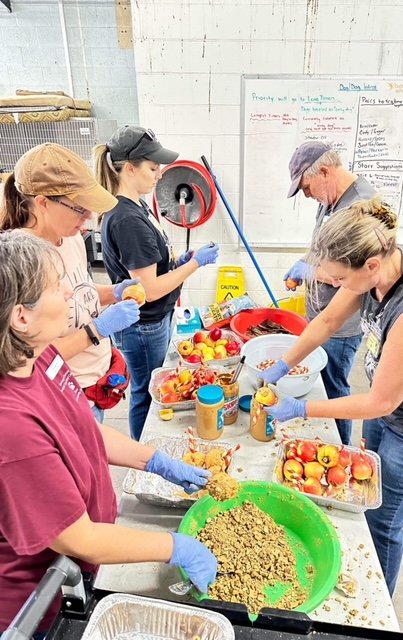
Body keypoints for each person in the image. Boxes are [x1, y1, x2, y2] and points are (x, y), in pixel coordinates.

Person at [0, 231, 217, 636]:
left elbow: (82, 430)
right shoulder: (11, 429)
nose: (69, 292)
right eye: (53, 286)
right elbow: (80, 539)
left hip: (74, 573)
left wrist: (153, 460)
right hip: (38, 605)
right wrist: (174, 548)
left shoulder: (37, 355)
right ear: (21, 317)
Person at [262, 198, 403, 595]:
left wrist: (300, 408)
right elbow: (326, 320)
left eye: (340, 279)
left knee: (385, 519)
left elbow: (381, 402)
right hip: (391, 406)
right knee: (363, 494)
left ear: (371, 267)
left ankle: (378, 609)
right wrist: (279, 366)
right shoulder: (375, 265)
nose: (337, 286)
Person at [94, 126, 220, 440]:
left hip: (154, 321)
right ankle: (143, 454)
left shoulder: (137, 208)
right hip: (144, 326)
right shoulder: (128, 220)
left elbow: (150, 270)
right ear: (129, 168)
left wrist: (177, 261)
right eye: (152, 167)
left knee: (149, 390)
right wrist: (194, 264)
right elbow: (148, 290)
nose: (159, 174)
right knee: (147, 395)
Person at [0, 143, 141, 423]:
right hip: (64, 391)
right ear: (42, 203)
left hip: (96, 376)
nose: (88, 220)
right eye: (79, 209)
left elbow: (80, 293)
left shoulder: (72, 237)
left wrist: (113, 292)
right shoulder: (18, 263)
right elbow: (31, 359)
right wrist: (97, 329)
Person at [283, 142, 376, 445]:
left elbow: (352, 272)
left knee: (334, 388)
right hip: (321, 316)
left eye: (306, 188)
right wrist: (307, 263)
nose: (306, 196)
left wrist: (311, 273)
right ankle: (321, 439)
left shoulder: (360, 207)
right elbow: (324, 249)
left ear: (324, 172)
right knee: (320, 384)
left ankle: (339, 446)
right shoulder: (330, 200)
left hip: (341, 326)